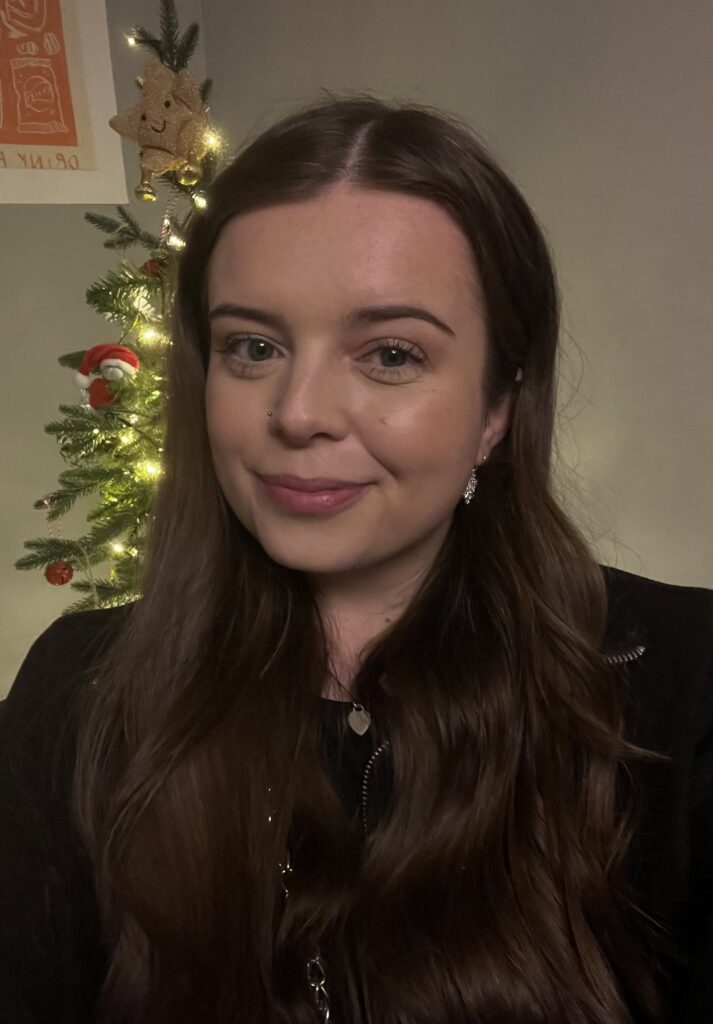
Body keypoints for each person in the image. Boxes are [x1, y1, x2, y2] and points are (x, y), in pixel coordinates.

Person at [0, 96, 711, 1024]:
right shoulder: (78, 690)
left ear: (498, 407)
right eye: (252, 347)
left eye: (388, 355)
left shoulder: (682, 683)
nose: (297, 412)